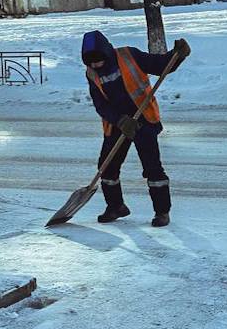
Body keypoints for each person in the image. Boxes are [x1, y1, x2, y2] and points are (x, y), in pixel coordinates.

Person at [81, 30, 190, 228]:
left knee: (152, 167)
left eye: (98, 61)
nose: (95, 66)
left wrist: (177, 55)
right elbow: (100, 104)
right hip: (117, 123)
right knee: (107, 166)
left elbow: (159, 66)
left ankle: (162, 212)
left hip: (143, 118)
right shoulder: (91, 73)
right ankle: (116, 206)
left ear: (106, 53)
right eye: (91, 63)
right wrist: (120, 120)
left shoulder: (128, 55)